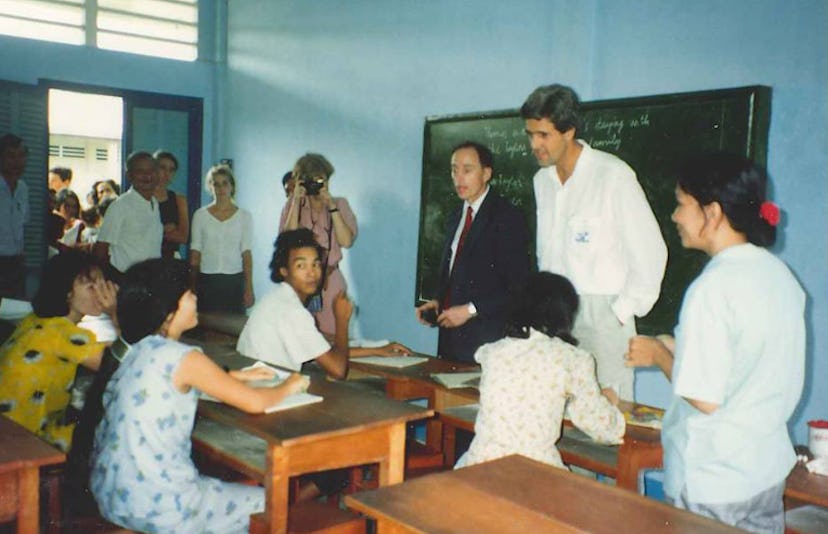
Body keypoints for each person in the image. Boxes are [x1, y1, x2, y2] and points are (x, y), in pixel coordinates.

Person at [625, 154, 804, 532]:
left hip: (714, 478)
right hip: (763, 471)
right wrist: (681, 349)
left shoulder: (712, 287)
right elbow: (749, 362)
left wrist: (659, 354)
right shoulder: (778, 275)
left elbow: (705, 398)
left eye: (681, 204)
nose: (674, 216)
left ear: (713, 212)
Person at [90, 258, 307, 533]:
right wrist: (289, 385)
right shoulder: (184, 357)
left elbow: (179, 380)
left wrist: (235, 377)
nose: (195, 298)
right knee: (270, 503)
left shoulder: (142, 348)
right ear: (170, 310)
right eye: (189, 294)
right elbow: (255, 403)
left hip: (114, 496)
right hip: (164, 508)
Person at [521, 84, 667, 401]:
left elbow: (651, 251)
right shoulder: (541, 181)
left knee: (607, 418)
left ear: (569, 130)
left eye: (543, 135)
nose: (535, 145)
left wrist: (619, 313)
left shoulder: (612, 175)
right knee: (557, 411)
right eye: (530, 134)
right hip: (554, 315)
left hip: (603, 317)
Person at [456, 272, 624, 469]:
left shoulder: (492, 352)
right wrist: (609, 402)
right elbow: (601, 428)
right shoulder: (574, 359)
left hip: (480, 465)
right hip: (533, 472)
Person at [415, 141, 530, 363]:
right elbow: (453, 271)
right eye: (454, 170)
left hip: (487, 337)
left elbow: (518, 286)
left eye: (467, 170)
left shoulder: (507, 217)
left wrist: (469, 310)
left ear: (486, 173)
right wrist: (437, 301)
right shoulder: (455, 216)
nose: (459, 178)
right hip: (449, 335)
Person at [0, 251, 117, 452]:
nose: (100, 292)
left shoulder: (36, 320)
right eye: (91, 286)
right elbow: (119, 365)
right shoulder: (62, 333)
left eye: (102, 283)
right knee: (110, 433)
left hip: (13, 428)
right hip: (28, 437)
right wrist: (115, 313)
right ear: (67, 293)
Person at [280, 153, 357, 335]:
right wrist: (297, 201)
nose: (315, 186)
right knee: (298, 337)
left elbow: (346, 241)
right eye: (310, 181)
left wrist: (331, 207)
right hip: (300, 282)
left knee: (332, 338)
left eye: (320, 180)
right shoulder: (293, 206)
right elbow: (287, 240)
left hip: (330, 281)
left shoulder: (340, 204)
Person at [190, 164, 254, 313]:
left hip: (234, 282)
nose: (221, 188)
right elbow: (195, 253)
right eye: (216, 184)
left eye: (225, 183)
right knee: (208, 329)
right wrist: (192, 287)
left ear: (232, 186)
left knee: (231, 330)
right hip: (207, 281)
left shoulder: (244, 216)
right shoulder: (200, 215)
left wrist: (249, 287)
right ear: (210, 187)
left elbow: (246, 254)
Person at [93, 151, 163, 280]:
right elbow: (100, 250)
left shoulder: (155, 203)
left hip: (151, 281)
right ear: (129, 175)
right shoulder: (120, 206)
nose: (147, 176)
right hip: (127, 281)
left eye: (151, 170)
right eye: (140, 171)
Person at [0, 133, 29, 300]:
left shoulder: (23, 188)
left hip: (16, 263)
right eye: (11, 156)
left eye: (21, 156)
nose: (17, 162)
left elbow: (23, 224)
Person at [153, 150, 189, 259]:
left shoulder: (179, 199)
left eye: (171, 170)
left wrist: (154, 232)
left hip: (170, 259)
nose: (166, 174)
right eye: (162, 168)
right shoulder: (143, 198)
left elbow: (183, 237)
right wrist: (165, 229)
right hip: (143, 259)